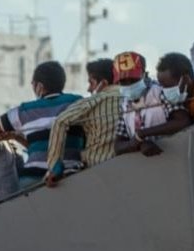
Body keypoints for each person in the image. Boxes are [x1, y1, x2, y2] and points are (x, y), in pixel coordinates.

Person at [0, 62, 82, 188]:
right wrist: (18, 138)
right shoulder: (78, 102)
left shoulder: (25, 111)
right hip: (73, 174)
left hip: (34, 177)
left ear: (39, 86)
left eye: (33, 84)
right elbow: (47, 146)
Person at [43, 59, 142, 187]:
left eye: (91, 82)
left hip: (98, 171)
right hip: (134, 168)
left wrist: (54, 167)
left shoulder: (93, 101)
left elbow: (60, 122)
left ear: (103, 83)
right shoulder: (137, 98)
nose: (89, 88)